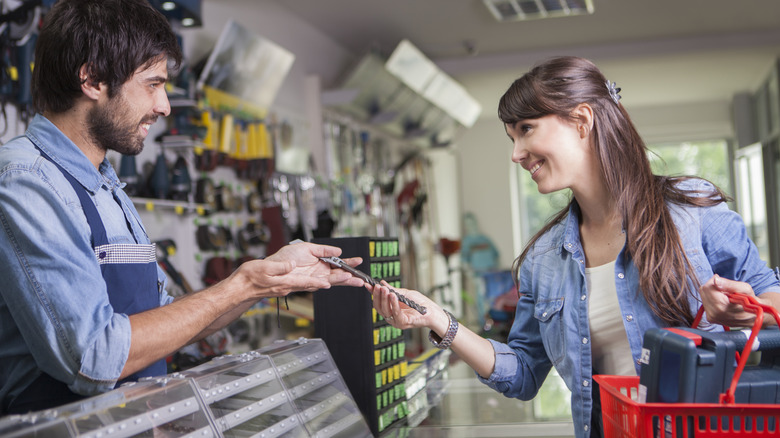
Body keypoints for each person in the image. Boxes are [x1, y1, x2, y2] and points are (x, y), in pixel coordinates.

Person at [369, 56, 780, 438]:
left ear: (582, 120)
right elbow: (525, 373)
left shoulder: (690, 209)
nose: (516, 154)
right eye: (512, 137)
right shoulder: (543, 260)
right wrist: (441, 321)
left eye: (526, 130)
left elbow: (772, 301)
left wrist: (746, 312)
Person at [0, 0, 364, 415]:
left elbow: (167, 320)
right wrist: (242, 284)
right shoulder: (26, 182)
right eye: (153, 84)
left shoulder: (106, 185)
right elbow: (94, 357)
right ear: (93, 78)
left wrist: (268, 277)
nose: (165, 106)